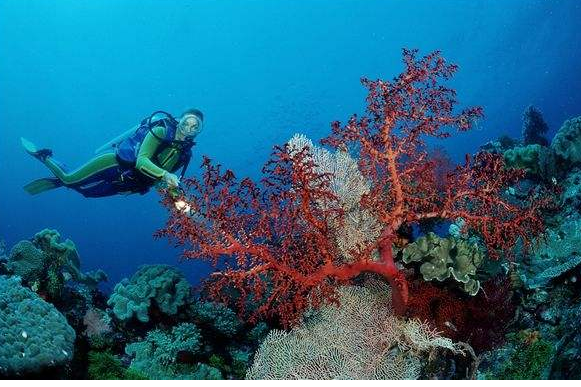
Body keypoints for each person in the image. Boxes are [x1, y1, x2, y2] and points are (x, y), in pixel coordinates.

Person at [22, 108, 203, 198]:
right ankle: (43, 156)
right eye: (187, 122)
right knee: (70, 180)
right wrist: (166, 174)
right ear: (180, 120)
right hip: (113, 164)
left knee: (87, 194)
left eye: (196, 126)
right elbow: (141, 161)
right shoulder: (161, 131)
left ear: (199, 131)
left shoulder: (185, 155)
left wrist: (174, 194)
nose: (189, 128)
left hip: (128, 182)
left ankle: (63, 180)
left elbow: (161, 181)